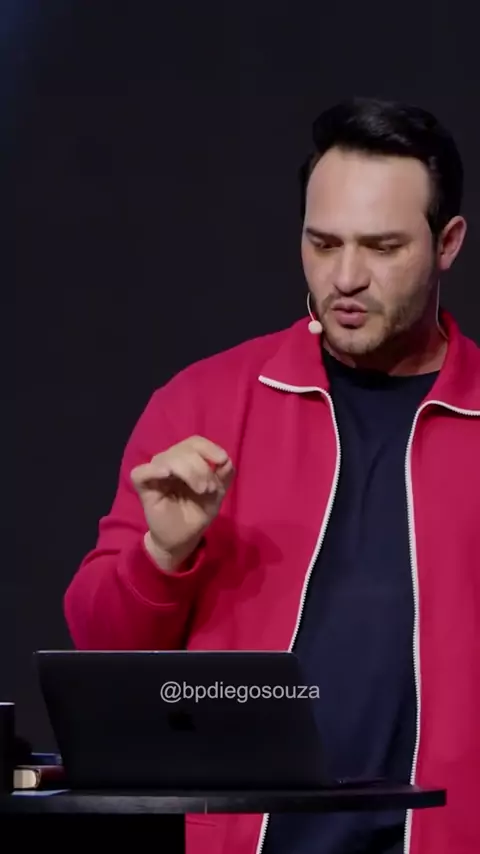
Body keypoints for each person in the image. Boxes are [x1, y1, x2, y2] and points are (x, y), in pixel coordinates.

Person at [64, 97, 480, 854]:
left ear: (447, 242)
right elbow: (99, 652)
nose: (346, 277)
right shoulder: (204, 403)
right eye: (323, 243)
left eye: (383, 247)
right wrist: (162, 557)